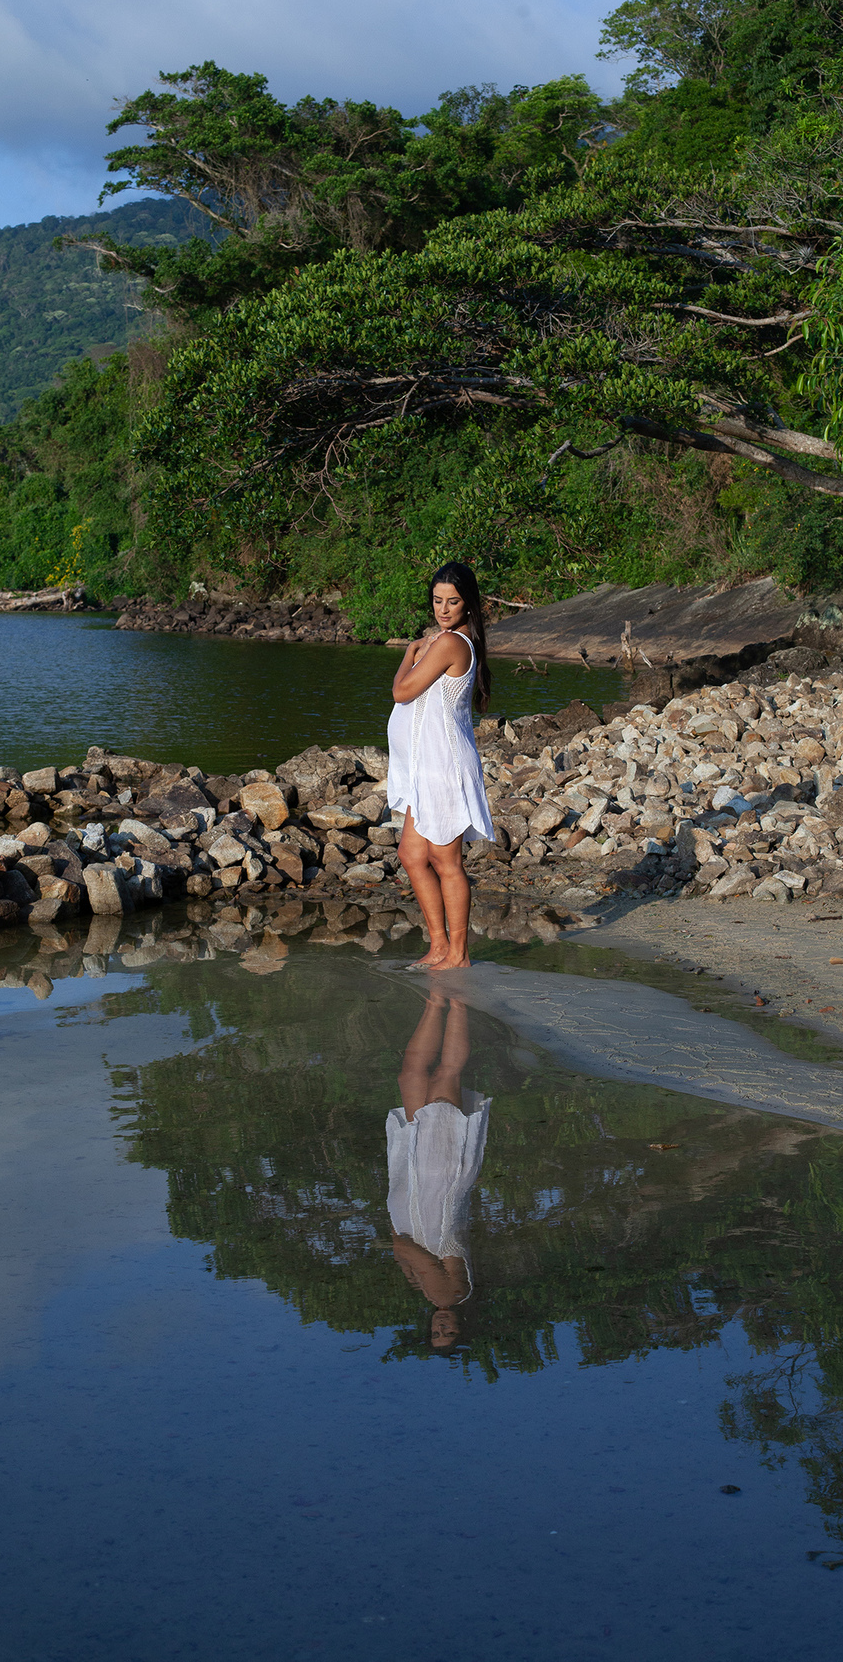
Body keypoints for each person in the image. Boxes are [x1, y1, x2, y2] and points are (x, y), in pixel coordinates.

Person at [387, 561, 495, 970]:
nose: (443, 609)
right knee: (413, 855)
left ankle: (459, 954)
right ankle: (437, 947)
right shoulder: (448, 639)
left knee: (446, 862)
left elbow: (402, 692)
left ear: (468, 604)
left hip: (444, 766)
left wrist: (411, 652)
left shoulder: (449, 643)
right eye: (437, 601)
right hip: (423, 766)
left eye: (452, 601)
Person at [386, 989, 490, 1354]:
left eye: (436, 1334)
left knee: (411, 1073)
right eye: (449, 1334)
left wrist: (407, 1259)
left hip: (421, 1174)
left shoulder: (436, 1293)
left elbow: (411, 1250)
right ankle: (458, 998)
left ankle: (437, 1000)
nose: (442, 1328)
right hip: (438, 1173)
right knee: (445, 1076)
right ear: (462, 1327)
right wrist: (399, 1252)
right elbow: (408, 1248)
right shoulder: (450, 1294)